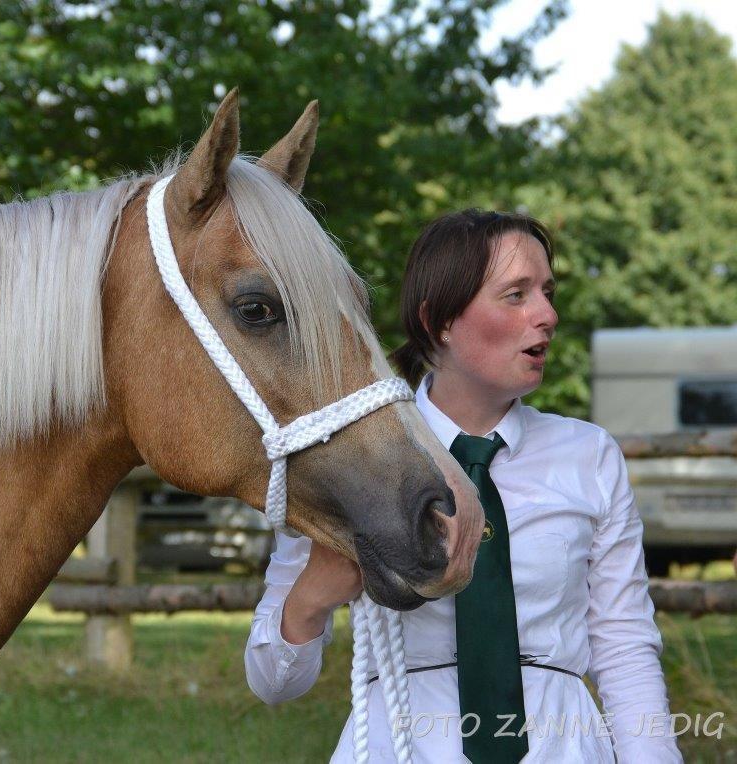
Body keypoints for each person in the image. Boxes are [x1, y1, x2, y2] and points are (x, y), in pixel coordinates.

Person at [245, 209, 682, 763]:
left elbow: (623, 647)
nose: (547, 314)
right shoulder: (352, 460)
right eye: (516, 294)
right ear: (439, 322)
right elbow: (273, 683)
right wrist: (310, 597)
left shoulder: (588, 456)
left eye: (547, 291)